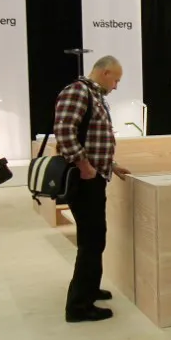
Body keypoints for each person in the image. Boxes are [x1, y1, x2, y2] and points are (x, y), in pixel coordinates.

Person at [54, 55, 132, 323]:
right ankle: (78, 306)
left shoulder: (94, 95)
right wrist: (84, 164)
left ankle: (90, 288)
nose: (116, 86)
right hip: (84, 179)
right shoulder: (78, 91)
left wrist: (111, 165)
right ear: (106, 72)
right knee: (91, 240)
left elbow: (94, 138)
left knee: (96, 237)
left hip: (94, 176)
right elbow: (64, 131)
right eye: (116, 80)